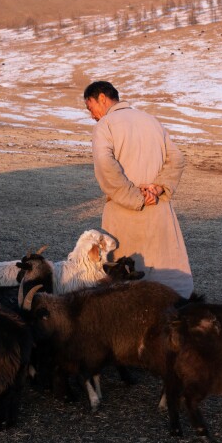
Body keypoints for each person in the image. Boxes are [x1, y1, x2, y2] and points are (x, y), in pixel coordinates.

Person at [83, 80, 193, 297]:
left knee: (124, 282)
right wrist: (159, 189)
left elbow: (106, 166)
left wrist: (136, 198)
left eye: (90, 107)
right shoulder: (151, 121)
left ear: (102, 98)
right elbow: (177, 158)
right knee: (165, 278)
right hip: (159, 211)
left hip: (124, 213)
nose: (92, 115)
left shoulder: (105, 126)